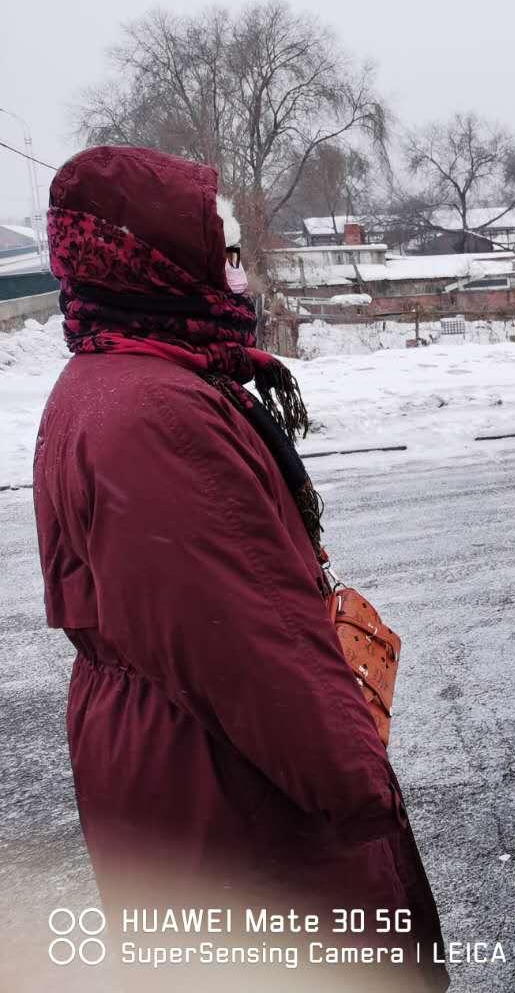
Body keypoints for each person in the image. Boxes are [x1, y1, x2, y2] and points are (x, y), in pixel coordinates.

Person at [32, 146, 448, 990]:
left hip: (168, 760)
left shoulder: (115, 374)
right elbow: (249, 651)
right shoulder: (160, 413)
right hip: (226, 785)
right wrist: (363, 795)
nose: (240, 277)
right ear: (155, 264)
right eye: (219, 253)